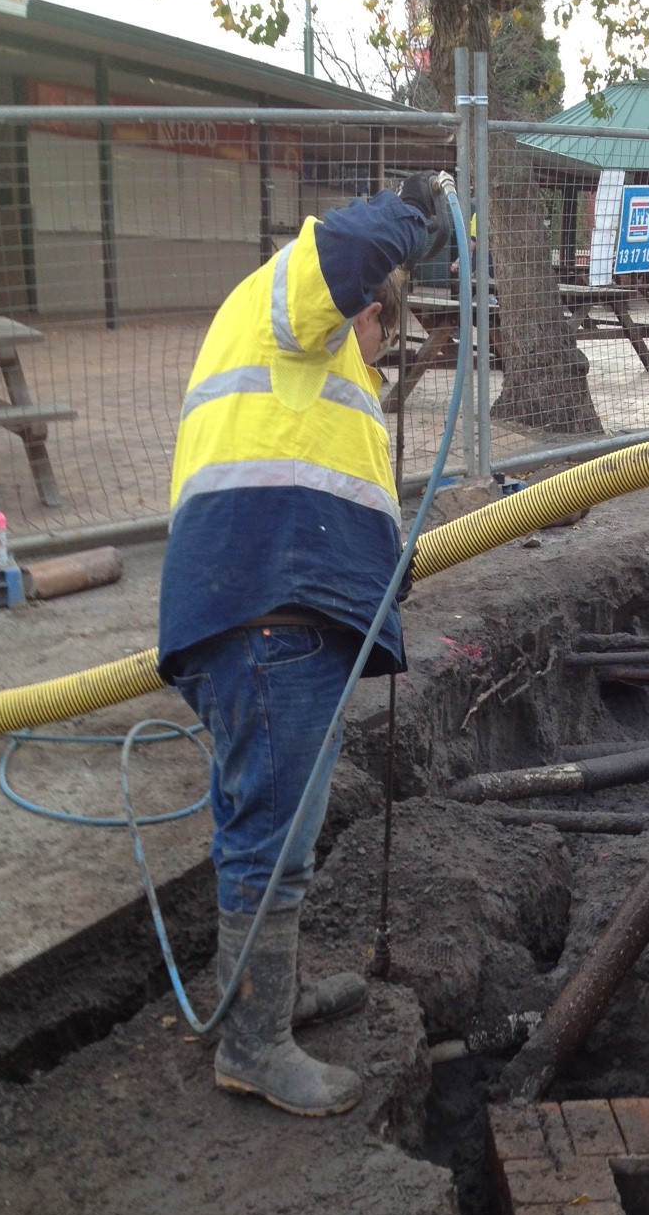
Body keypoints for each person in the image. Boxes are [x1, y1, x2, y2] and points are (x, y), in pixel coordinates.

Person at [157, 177, 444, 1116]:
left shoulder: (311, 367)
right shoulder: (294, 305)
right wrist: (420, 213)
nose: (376, 352)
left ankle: (263, 999)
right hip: (267, 611)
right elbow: (346, 248)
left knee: (270, 817)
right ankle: (253, 1043)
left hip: (276, 606)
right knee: (274, 840)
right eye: (382, 332)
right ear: (368, 308)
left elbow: (328, 482)